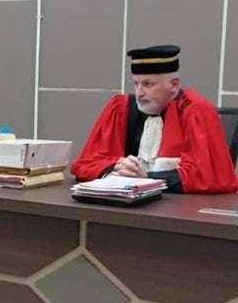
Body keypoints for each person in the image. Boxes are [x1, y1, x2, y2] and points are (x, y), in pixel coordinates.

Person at [70, 44, 238, 194]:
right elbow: (86, 163)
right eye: (136, 84)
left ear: (174, 84)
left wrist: (147, 177)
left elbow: (208, 176)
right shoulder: (121, 107)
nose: (139, 93)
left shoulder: (195, 110)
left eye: (148, 84)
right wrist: (116, 168)